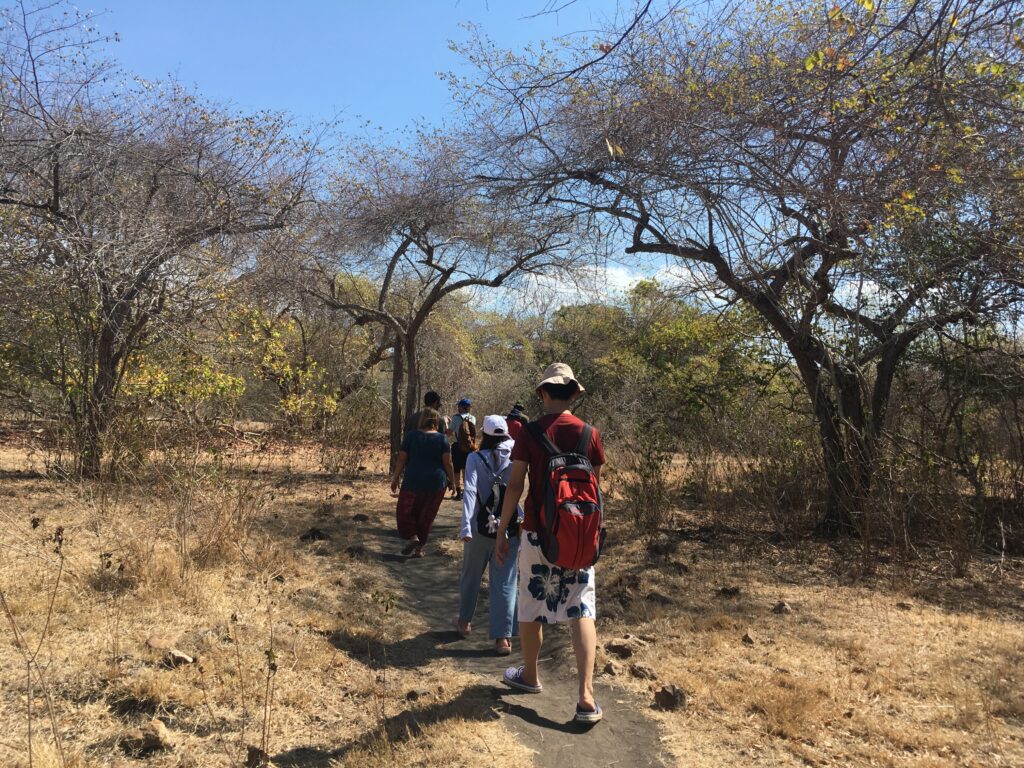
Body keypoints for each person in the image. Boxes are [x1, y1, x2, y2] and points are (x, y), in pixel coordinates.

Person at [495, 363, 606, 724]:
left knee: (531, 603)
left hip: (537, 534)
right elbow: (595, 487)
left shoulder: (530, 432)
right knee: (582, 608)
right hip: (579, 535)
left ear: (543, 393)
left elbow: (515, 485)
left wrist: (502, 529)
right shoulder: (590, 434)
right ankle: (586, 696)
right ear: (574, 393)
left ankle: (530, 675)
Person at [455, 415, 522, 655]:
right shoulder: (515, 456)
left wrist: (465, 526)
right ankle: (502, 639)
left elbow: (470, 491)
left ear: (484, 435)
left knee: (471, 576)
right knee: (505, 582)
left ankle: (464, 622)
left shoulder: (475, 458)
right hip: (509, 529)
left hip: (479, 529)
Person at [390, 408, 455, 558]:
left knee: (405, 511)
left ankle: (413, 536)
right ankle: (419, 548)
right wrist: (452, 481)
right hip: (437, 482)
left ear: (421, 420)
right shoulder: (442, 439)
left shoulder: (411, 436)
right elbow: (448, 463)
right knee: (427, 515)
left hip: (413, 480)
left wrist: (395, 478)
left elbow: (401, 458)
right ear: (436, 421)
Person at [447, 398, 477, 500]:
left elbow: (449, 432)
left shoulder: (455, 418)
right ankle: (466, 492)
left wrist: (448, 425)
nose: (457, 408)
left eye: (459, 406)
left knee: (456, 470)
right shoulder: (473, 418)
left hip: (457, 446)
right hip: (469, 447)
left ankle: (458, 493)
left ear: (462, 407)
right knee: (466, 469)